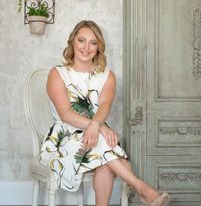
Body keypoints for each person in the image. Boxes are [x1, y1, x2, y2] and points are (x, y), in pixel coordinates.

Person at [40, 20, 170, 206]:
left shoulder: (107, 76)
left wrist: (96, 126)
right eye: (81, 41)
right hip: (64, 137)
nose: (86, 47)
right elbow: (66, 114)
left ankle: (138, 192)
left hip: (96, 133)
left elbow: (105, 106)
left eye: (93, 43)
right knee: (107, 147)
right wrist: (98, 127)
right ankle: (142, 188)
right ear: (72, 42)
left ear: (99, 47)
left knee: (104, 158)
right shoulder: (57, 73)